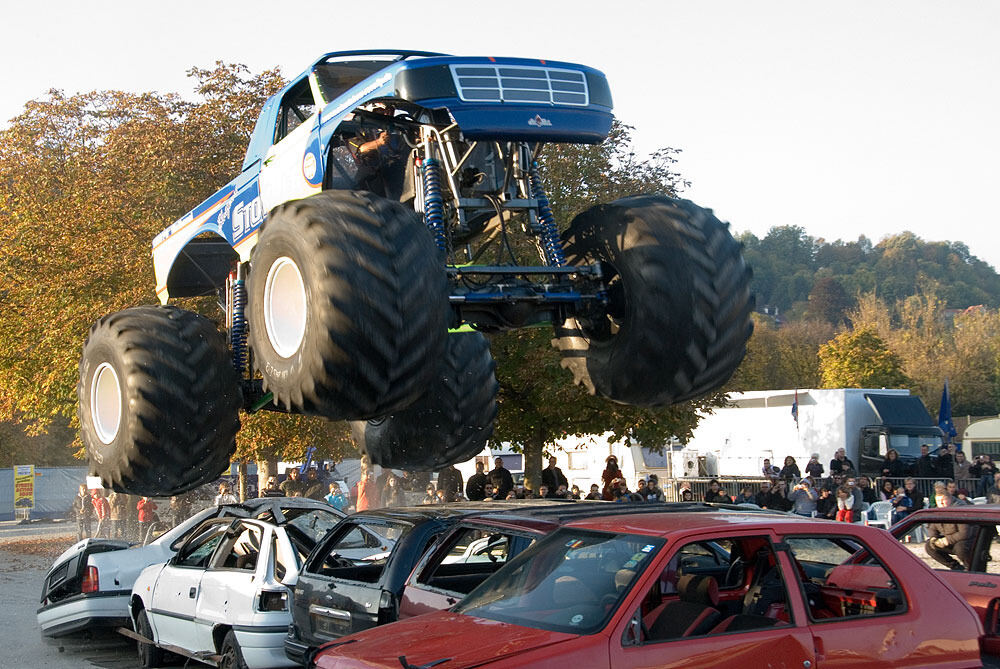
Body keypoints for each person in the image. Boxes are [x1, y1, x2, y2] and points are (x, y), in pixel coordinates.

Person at [925, 492, 973, 570]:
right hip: (948, 541)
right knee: (930, 545)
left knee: (960, 547)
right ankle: (955, 567)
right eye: (938, 500)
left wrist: (947, 540)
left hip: (964, 540)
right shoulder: (937, 513)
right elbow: (932, 528)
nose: (941, 503)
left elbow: (964, 533)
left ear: (950, 499)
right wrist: (933, 538)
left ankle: (971, 567)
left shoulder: (958, 511)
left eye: (943, 500)